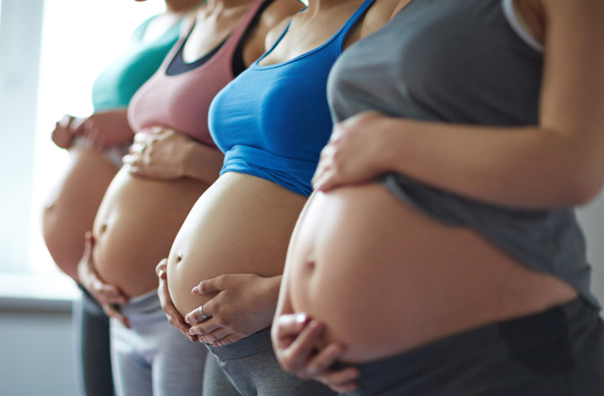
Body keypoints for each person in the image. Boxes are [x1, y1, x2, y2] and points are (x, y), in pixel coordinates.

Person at [271, 0, 604, 394]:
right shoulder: (398, 8)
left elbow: (574, 168)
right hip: (365, 372)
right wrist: (289, 306)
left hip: (500, 357)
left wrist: (390, 143)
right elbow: (339, 162)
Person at [154, 0, 403, 394]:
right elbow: (239, 174)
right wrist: (180, 266)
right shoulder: (282, 30)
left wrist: (277, 295)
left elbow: (404, 197)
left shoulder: (387, 14)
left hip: (293, 325)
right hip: (222, 339)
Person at [75, 0, 304, 394]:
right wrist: (94, 259)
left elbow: (274, 157)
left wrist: (187, 158)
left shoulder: (276, 16)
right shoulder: (193, 23)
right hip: (135, 301)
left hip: (204, 308)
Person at [41, 1, 201, 394]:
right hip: (92, 272)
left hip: (149, 281)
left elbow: (190, 116)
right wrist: (79, 131)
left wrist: (127, 121)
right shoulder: (146, 27)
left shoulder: (214, 21)